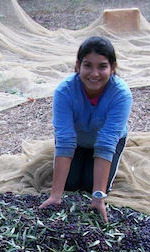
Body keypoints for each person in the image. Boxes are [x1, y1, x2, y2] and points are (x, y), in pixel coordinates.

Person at [39, 36, 132, 222]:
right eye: (88, 65)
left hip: (107, 142)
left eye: (102, 66)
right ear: (77, 66)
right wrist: (55, 195)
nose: (94, 73)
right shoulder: (64, 91)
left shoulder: (121, 95)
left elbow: (106, 142)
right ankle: (79, 164)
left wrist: (98, 197)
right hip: (77, 142)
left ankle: (101, 170)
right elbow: (65, 139)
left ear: (112, 68)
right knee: (71, 184)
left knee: (91, 186)